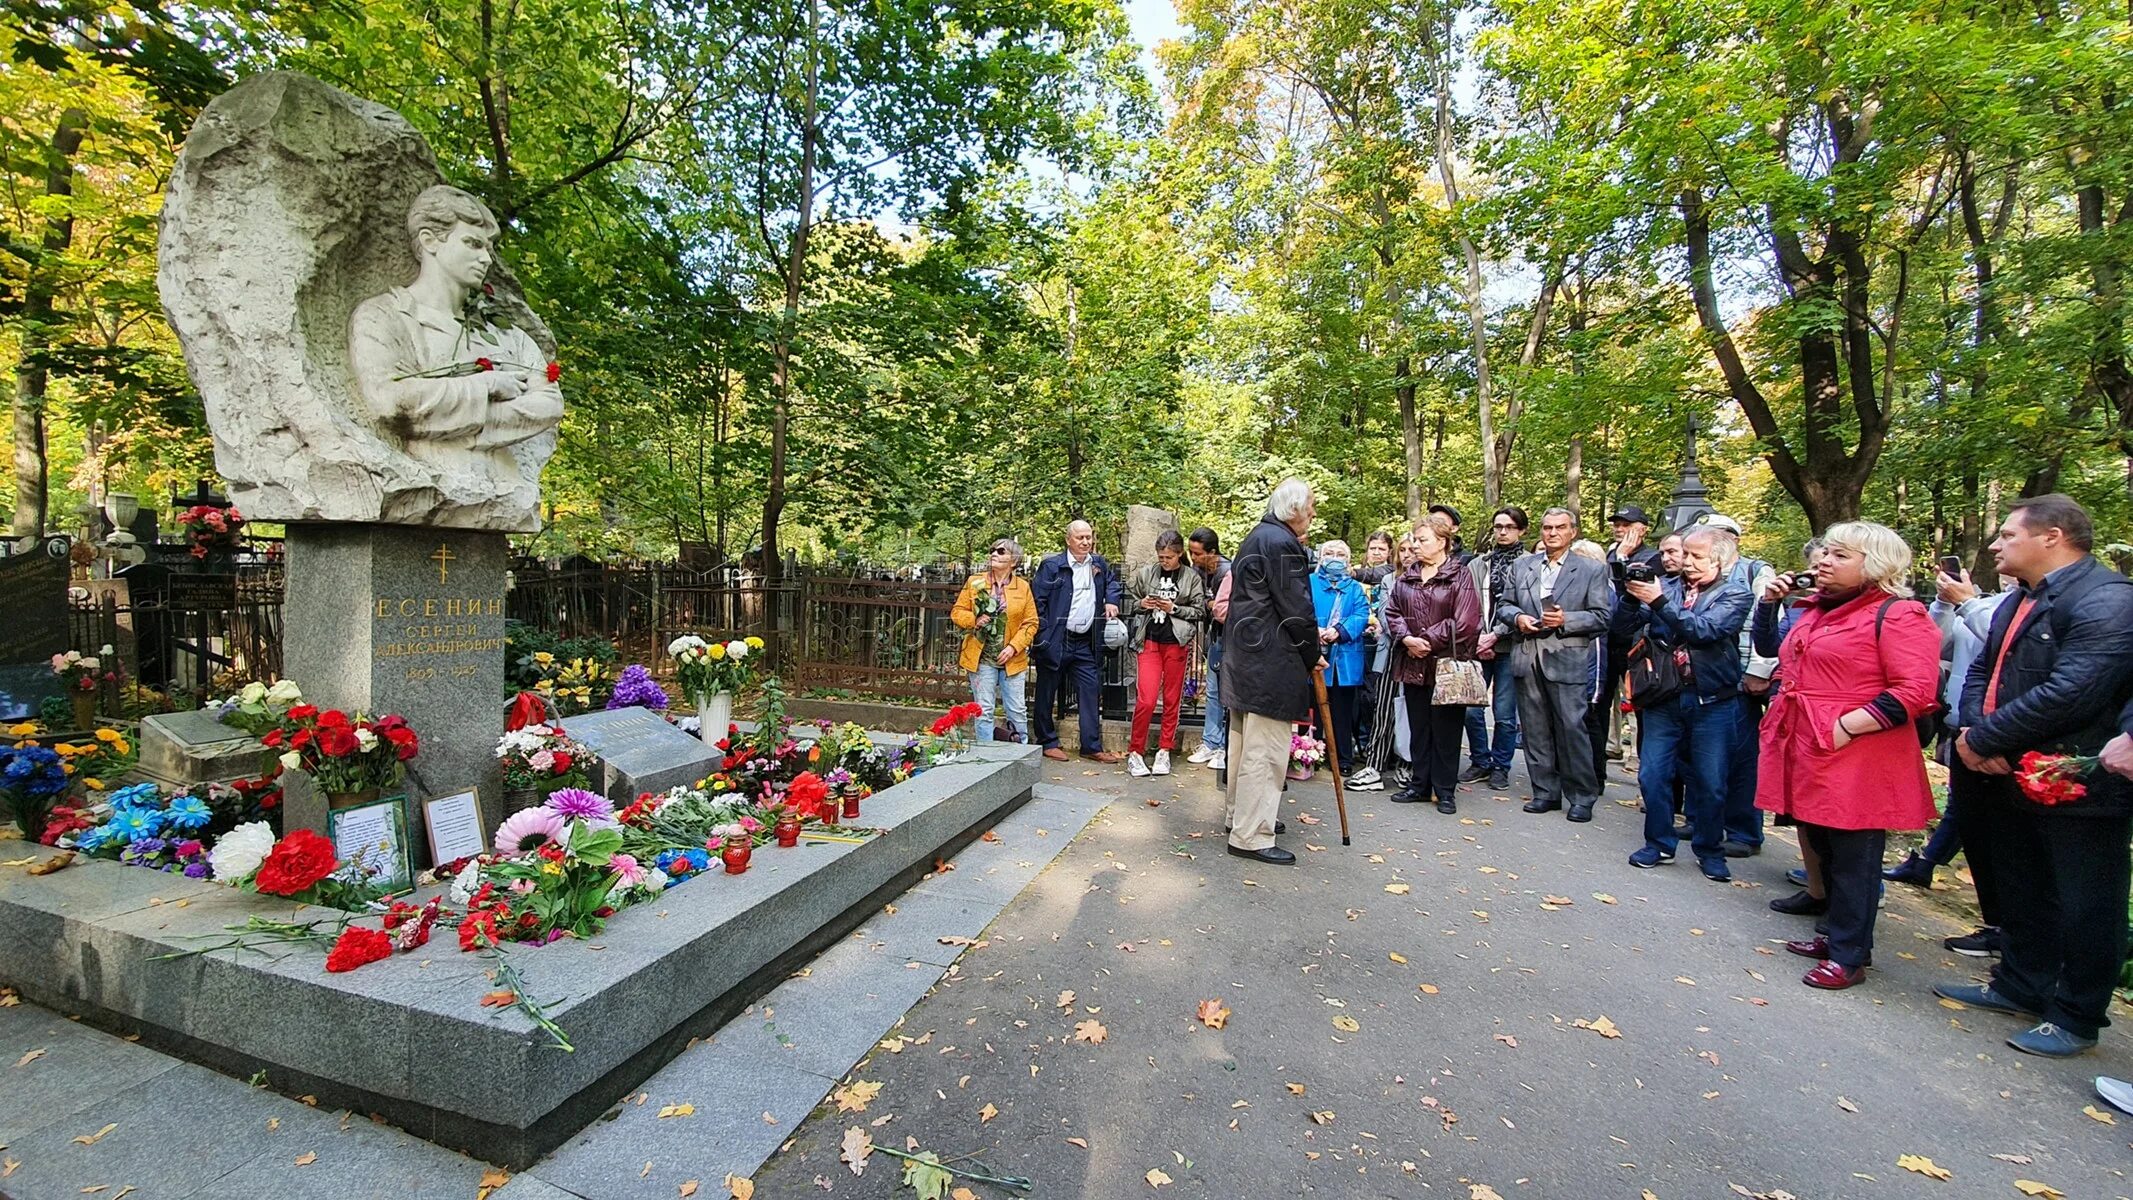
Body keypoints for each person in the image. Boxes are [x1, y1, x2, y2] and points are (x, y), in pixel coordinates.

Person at [1934, 494, 2133, 1057]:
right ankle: (2020, 983)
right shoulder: (2019, 598)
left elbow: (2073, 691)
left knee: (2084, 898)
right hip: (2002, 767)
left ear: (2052, 537)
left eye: (2008, 535)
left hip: (2072, 778)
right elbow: (1981, 672)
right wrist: (1973, 734)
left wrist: (1986, 738)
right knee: (2020, 882)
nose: (1995, 544)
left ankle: (2076, 1013)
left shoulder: (2107, 600)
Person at [1753, 522, 1942, 989]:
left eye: (1839, 556)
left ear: (1874, 565)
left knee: (1855, 854)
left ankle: (1850, 954)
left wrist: (1845, 726)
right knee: (1821, 842)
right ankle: (1837, 933)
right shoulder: (1819, 608)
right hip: (1808, 741)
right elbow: (1776, 651)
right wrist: (1770, 605)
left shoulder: (1900, 614)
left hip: (1856, 750)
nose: (1823, 562)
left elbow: (1916, 688)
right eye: (1825, 554)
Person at [1617, 527, 1751, 879]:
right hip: (1664, 697)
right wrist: (1632, 597)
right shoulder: (1668, 587)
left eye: (1695, 556)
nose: (1685, 561)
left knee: (1711, 781)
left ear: (1719, 560)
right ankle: (1659, 843)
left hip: (1713, 701)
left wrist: (1657, 601)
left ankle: (1709, 850)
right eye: (1682, 554)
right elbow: (1620, 629)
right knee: (1652, 774)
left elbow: (1703, 631)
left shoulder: (1735, 594)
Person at [1883, 564, 2016, 906]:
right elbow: (1936, 642)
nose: (1998, 551)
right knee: (1966, 814)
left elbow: (2006, 644)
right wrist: (1944, 604)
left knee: (1996, 828)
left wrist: (1968, 602)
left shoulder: (2014, 609)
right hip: (1962, 723)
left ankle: (2003, 925)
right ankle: (1932, 868)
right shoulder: (1988, 603)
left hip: (2003, 730)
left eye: (2010, 537)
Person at [1221, 479, 1324, 866]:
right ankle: (1251, 834)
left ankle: (1240, 817)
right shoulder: (1282, 544)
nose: (1313, 514)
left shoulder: (1256, 536)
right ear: (1294, 509)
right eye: (1310, 507)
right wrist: (1313, 653)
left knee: (1244, 747)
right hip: (1269, 664)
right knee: (1264, 754)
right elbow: (1297, 609)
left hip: (1246, 659)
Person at [1494, 507, 1613, 821]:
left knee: (1571, 729)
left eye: (1560, 528)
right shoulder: (1523, 566)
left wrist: (1567, 620)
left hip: (1566, 656)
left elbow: (1602, 617)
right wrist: (1517, 618)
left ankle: (1581, 797)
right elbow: (1504, 605)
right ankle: (1545, 791)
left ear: (1572, 531)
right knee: (1534, 730)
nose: (1552, 533)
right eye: (1547, 528)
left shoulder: (1591, 569)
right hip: (1527, 653)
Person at [1386, 518, 1484, 812]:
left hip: (1446, 664)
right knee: (1419, 726)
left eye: (1422, 540)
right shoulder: (1407, 576)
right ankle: (1419, 784)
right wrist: (1406, 639)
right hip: (1412, 661)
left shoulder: (1460, 575)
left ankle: (1444, 790)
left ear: (1442, 542)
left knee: (1446, 730)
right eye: (1414, 540)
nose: (1415, 545)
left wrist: (1426, 640)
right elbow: (1392, 612)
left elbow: (1466, 621)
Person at [1697, 514, 1779, 859]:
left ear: (1732, 540)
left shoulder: (1755, 572)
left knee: (1743, 757)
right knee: (1707, 756)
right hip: (1708, 676)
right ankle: (1707, 822)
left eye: (1716, 536)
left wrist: (1760, 670)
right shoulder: (1699, 574)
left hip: (1743, 677)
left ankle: (1744, 831)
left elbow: (1768, 620)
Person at [1031, 520, 1124, 764]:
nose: (1085, 542)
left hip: (1085, 641)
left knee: (1090, 690)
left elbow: (1113, 582)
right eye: (1080, 538)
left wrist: (1111, 600)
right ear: (1068, 540)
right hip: (1056, 639)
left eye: (1089, 537)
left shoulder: (1098, 563)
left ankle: (1091, 746)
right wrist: (1043, 635)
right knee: (1046, 690)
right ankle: (1047, 741)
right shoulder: (1052, 566)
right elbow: (1037, 602)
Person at [1125, 531, 1208, 778]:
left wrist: (1175, 608)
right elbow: (1129, 600)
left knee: (1172, 699)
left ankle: (1164, 749)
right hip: (1149, 640)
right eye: (1161, 557)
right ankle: (1135, 751)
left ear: (1180, 554)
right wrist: (1141, 605)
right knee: (1147, 699)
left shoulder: (1190, 577)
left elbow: (1200, 611)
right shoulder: (1146, 574)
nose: (1164, 561)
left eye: (1169, 557)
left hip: (1176, 642)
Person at [1591, 505, 1663, 784]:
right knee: (1599, 707)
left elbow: (1631, 593)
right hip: (1609, 642)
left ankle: (1646, 776)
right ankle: (1595, 775)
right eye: (1617, 524)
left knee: (1640, 708)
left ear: (1642, 529)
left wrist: (1620, 559)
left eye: (1627, 524)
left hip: (1637, 644)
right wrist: (1617, 557)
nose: (1620, 529)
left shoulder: (1653, 558)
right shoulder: (1611, 554)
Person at [1460, 507, 1528, 792]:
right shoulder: (1479, 563)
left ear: (1521, 530)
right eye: (1498, 526)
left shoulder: (1529, 564)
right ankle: (1480, 760)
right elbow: (1468, 602)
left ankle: (1501, 765)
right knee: (1470, 709)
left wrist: (1497, 634)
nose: (1502, 532)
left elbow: (1527, 605)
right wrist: (1479, 636)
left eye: (1509, 527)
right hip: (1478, 643)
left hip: (1512, 645)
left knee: (1503, 712)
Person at [950, 538, 1038, 744]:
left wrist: (1013, 647)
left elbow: (1031, 623)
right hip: (981, 659)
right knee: (984, 709)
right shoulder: (975, 582)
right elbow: (957, 612)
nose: (994, 554)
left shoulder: (1023, 587)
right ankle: (985, 757)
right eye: (992, 551)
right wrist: (975, 620)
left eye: (1001, 551)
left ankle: (1020, 756)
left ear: (1014, 560)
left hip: (1012, 660)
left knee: (1017, 710)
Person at [1358, 533, 1421, 793]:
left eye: (1411, 549)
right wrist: (1407, 634)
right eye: (1403, 550)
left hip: (1420, 655)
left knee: (1411, 712)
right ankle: (1374, 764)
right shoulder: (1388, 579)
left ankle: (1407, 763)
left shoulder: (1431, 579)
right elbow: (1385, 614)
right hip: (1392, 651)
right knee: (1382, 708)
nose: (1407, 555)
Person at [1309, 540, 1371, 776]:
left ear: (1348, 559)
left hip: (1344, 656)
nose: (1334, 557)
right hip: (1314, 652)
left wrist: (1340, 630)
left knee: (1343, 712)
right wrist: (1313, 630)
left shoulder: (1354, 587)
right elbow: (1301, 608)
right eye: (1329, 553)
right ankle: (1310, 753)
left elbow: (1362, 613)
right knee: (1312, 709)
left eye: (1340, 554)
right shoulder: (1309, 582)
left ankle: (1342, 757)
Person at [1350, 530, 1398, 786]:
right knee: (1356, 694)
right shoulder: (1356, 576)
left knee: (1374, 694)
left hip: (1381, 639)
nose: (1376, 553)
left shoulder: (1389, 574)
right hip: (1357, 637)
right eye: (1373, 548)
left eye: (1381, 548)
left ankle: (1373, 744)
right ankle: (1359, 742)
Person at [1186, 528, 1231, 772]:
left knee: (1227, 694)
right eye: (1191, 553)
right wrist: (1207, 603)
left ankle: (1225, 745)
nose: (1193, 558)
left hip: (1230, 639)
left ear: (1212, 552)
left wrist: (1210, 604)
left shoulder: (1227, 571)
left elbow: (1223, 609)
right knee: (1212, 692)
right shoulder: (1197, 570)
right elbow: (1199, 602)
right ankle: (1210, 742)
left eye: (1197, 554)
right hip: (1213, 636)